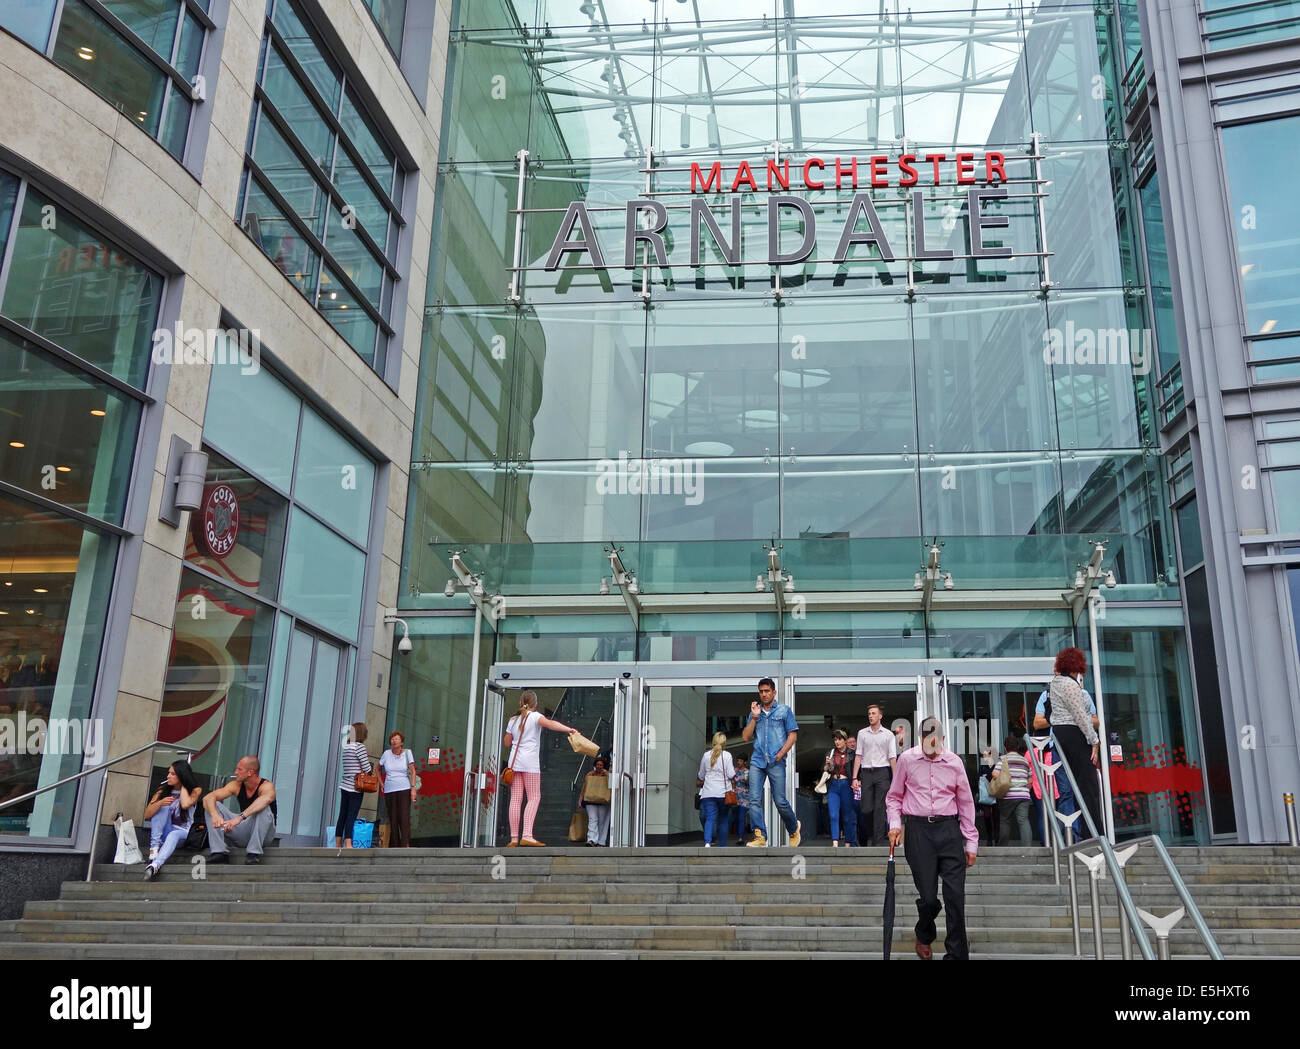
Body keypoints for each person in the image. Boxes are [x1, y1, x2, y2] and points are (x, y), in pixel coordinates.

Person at [886, 716, 978, 960]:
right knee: (928, 899)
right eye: (928, 744)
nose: (933, 750)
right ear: (921, 739)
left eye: (937, 744)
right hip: (919, 833)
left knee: (955, 898)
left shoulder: (955, 762)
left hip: (949, 831)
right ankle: (924, 932)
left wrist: (971, 841)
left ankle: (956, 956)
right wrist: (895, 825)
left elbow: (966, 803)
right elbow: (894, 797)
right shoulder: (907, 760)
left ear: (943, 739)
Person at [502, 690, 578, 846]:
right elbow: (551, 724)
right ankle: (527, 835)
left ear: (520, 703)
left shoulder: (513, 720)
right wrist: (568, 729)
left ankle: (514, 838)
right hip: (530, 763)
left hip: (514, 764)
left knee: (516, 799)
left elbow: (507, 743)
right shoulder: (536, 717)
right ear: (535, 704)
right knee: (534, 797)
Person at [1048, 647, 1102, 837]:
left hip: (1061, 734)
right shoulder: (1070, 685)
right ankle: (1095, 834)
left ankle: (1089, 833)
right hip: (1074, 733)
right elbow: (1080, 716)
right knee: (1089, 787)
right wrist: (1094, 741)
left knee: (1079, 787)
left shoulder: (1055, 683)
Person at [741, 677, 800, 847]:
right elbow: (746, 736)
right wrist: (754, 717)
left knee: (780, 801)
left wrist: (780, 754)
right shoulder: (755, 713)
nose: (764, 694)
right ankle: (760, 836)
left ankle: (794, 827)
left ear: (774, 692)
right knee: (754, 799)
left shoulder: (783, 711)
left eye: (767, 691)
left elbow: (793, 735)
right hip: (757, 761)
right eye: (761, 691)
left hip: (776, 761)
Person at [203, 755, 277, 864]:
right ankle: (219, 853)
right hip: (244, 831)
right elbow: (207, 798)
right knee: (212, 805)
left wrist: (239, 818)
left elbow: (266, 799)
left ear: (250, 772)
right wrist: (215, 815)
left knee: (264, 807)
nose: (235, 772)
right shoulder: (235, 785)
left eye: (239, 769)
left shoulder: (266, 786)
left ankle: (253, 854)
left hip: (264, 835)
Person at [142, 760, 202, 880]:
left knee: (173, 834)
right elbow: (147, 815)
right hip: (163, 832)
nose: (168, 776)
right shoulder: (162, 791)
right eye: (168, 773)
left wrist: (184, 785)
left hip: (182, 833)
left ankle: (155, 864)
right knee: (162, 805)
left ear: (182, 775)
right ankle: (154, 849)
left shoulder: (195, 790)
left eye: (173, 774)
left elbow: (185, 805)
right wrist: (159, 803)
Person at [852, 703, 898, 845]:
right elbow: (858, 756)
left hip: (882, 773)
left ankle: (877, 843)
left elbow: (892, 758)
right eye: (869, 714)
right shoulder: (862, 733)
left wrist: (896, 779)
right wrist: (854, 777)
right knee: (866, 809)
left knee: (879, 810)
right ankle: (871, 834)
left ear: (880, 716)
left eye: (873, 713)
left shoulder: (888, 735)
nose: (871, 716)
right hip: (866, 773)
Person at [335, 722, 374, 849]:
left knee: (343, 815)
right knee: (351, 815)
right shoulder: (359, 747)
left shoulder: (347, 746)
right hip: (355, 787)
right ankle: (348, 843)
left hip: (344, 785)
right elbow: (367, 767)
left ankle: (337, 843)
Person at [696, 732, 736, 847]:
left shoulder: (706, 755)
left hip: (708, 792)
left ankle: (708, 842)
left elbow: (701, 775)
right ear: (724, 743)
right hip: (723, 793)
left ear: (713, 741)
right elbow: (730, 774)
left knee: (710, 818)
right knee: (723, 819)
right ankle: (722, 845)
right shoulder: (727, 755)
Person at [379, 731, 417, 847]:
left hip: (404, 788)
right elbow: (377, 768)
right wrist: (381, 783)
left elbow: (413, 771)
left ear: (402, 742)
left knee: (404, 817)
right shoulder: (386, 754)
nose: (393, 741)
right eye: (392, 739)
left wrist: (413, 789)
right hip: (389, 790)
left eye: (396, 739)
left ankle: (405, 844)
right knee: (393, 818)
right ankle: (395, 845)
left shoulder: (407, 753)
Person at [992, 736, 1032, 844]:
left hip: (1007, 795)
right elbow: (1030, 780)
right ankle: (1028, 849)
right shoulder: (1024, 760)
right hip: (1023, 795)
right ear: (1017, 747)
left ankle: (1004, 847)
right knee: (1023, 821)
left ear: (1005, 747)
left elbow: (995, 774)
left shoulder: (1003, 759)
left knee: (1005, 820)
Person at [824, 729, 857, 847]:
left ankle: (848, 842)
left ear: (845, 740)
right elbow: (825, 770)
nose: (837, 742)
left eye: (839, 739)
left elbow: (856, 770)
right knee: (833, 814)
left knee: (847, 815)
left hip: (846, 785)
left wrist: (856, 781)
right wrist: (828, 764)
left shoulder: (852, 753)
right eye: (835, 740)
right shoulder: (831, 752)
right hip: (834, 785)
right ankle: (835, 842)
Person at [578, 755, 612, 846]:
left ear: (604, 766)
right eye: (597, 764)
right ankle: (591, 839)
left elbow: (613, 784)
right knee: (592, 819)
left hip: (603, 801)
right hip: (590, 800)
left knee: (602, 821)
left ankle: (600, 841)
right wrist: (581, 798)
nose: (599, 766)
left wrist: (607, 774)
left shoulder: (608, 775)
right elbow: (585, 787)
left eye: (601, 765)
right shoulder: (590, 774)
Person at [976, 746, 999, 846]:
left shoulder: (997, 765)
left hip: (996, 794)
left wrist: (987, 776)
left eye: (986, 754)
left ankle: (997, 837)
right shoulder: (982, 766)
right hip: (985, 795)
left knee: (996, 816)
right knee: (986, 816)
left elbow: (992, 776)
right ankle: (989, 837)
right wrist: (989, 776)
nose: (984, 756)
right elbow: (980, 777)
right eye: (983, 755)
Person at [731, 755, 750, 844]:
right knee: (734, 817)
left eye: (741, 761)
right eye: (738, 760)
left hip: (745, 798)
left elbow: (748, 783)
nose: (739, 762)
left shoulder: (748, 772)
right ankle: (734, 834)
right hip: (735, 797)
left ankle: (740, 837)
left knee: (741, 817)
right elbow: (731, 781)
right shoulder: (734, 771)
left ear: (745, 762)